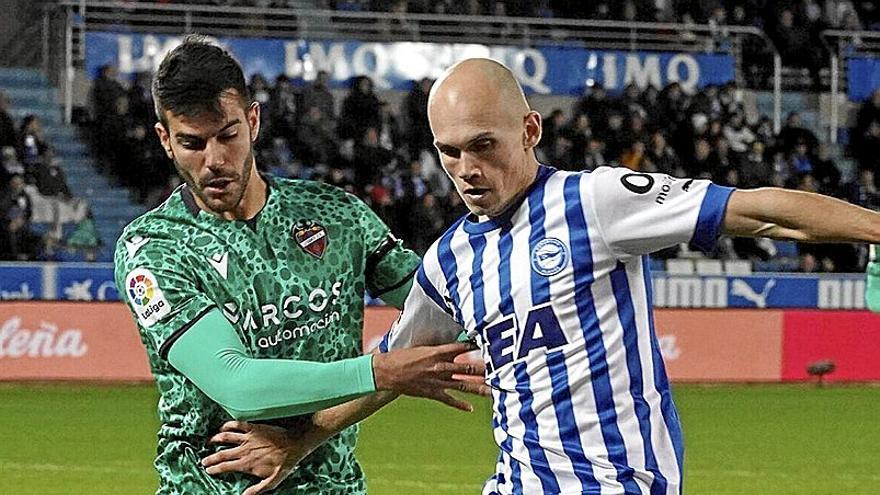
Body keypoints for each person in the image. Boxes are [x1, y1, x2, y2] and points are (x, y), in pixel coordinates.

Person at [208, 58, 880, 493]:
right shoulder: (449, 260)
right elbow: (395, 363)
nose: (466, 168)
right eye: (449, 151)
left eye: (483, 145)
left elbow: (760, 212)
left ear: (529, 129)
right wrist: (299, 439)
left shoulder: (598, 202)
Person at [113, 37, 485, 495]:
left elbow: (449, 316)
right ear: (165, 140)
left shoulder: (337, 216)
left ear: (253, 120)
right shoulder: (154, 248)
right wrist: (384, 369)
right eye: (192, 143)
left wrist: (306, 439)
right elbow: (236, 384)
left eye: (228, 135)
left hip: (335, 487)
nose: (214, 160)